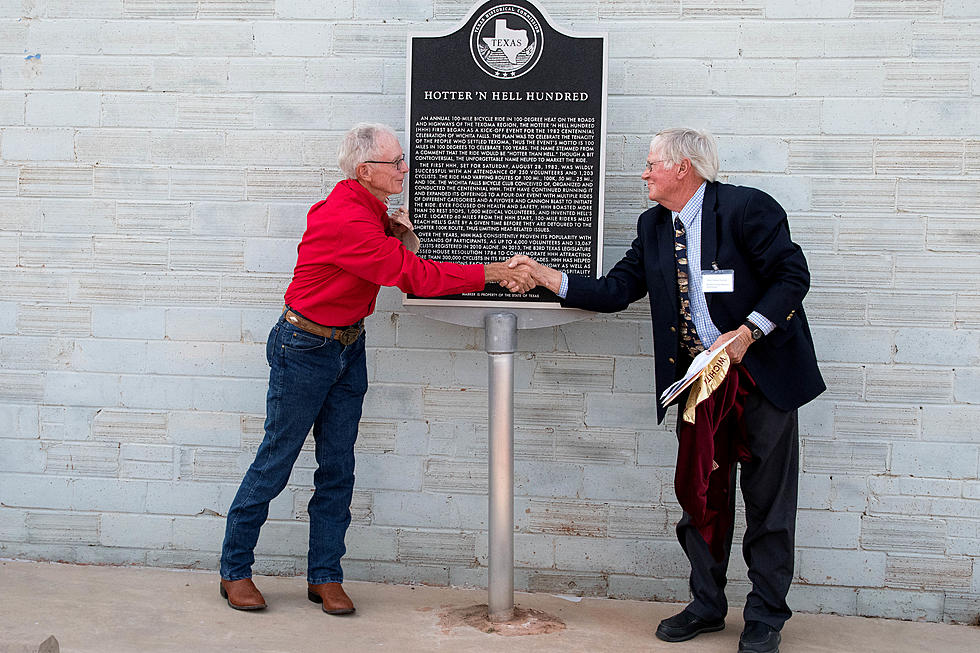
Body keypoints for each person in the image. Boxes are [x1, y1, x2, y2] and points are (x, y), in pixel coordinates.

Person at [508, 128, 824, 653]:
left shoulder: (748, 209)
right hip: (700, 385)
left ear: (683, 168)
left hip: (761, 377)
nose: (644, 173)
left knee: (769, 504)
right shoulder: (653, 226)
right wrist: (548, 277)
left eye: (652, 163)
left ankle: (766, 616)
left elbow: (792, 276)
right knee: (701, 497)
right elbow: (615, 290)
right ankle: (706, 605)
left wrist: (748, 333)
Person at [219, 123, 535, 614]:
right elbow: (411, 274)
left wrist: (395, 231)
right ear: (366, 170)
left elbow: (389, 256)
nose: (405, 170)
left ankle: (324, 576)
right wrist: (492, 271)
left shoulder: (367, 208)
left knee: (338, 465)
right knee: (276, 462)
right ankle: (235, 570)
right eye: (397, 163)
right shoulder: (346, 218)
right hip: (305, 347)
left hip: (347, 346)